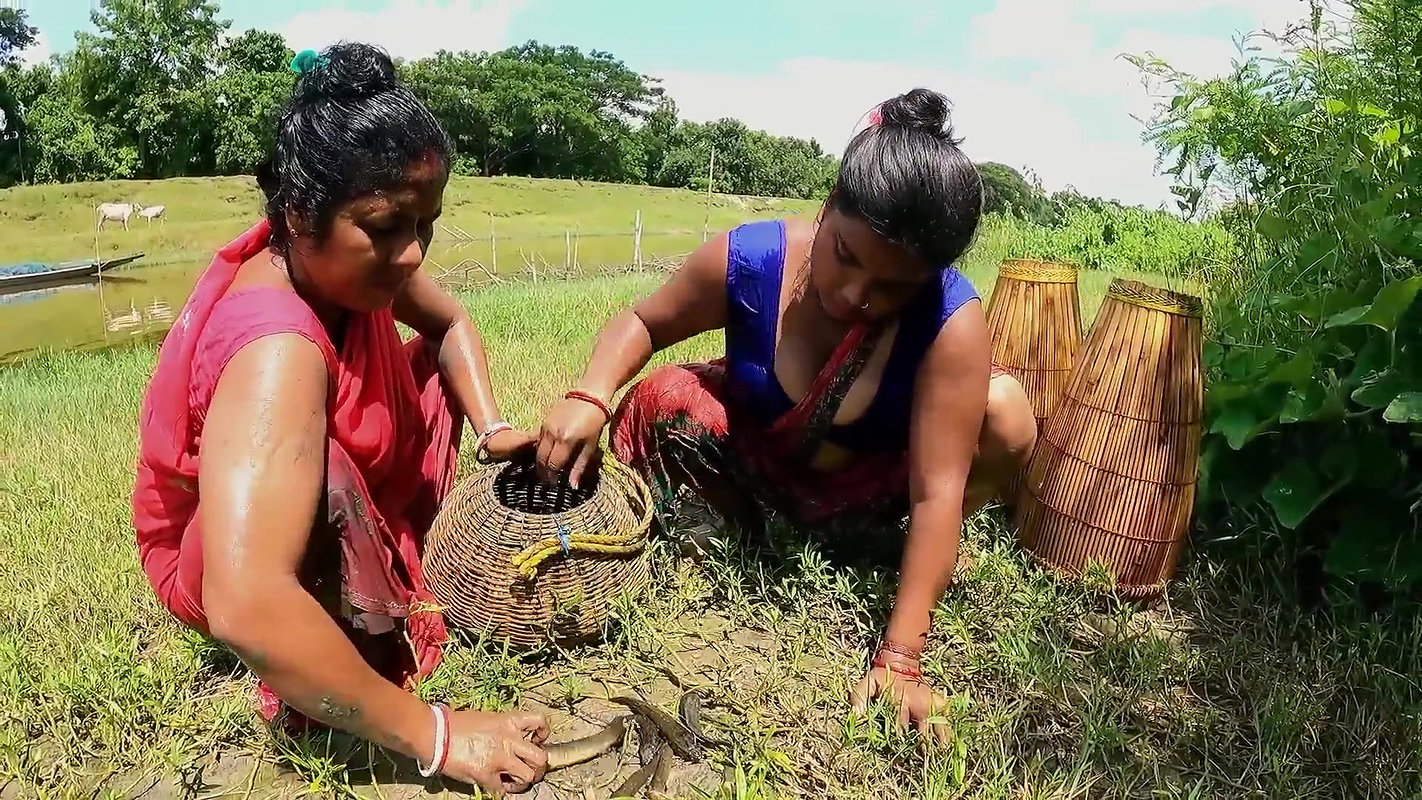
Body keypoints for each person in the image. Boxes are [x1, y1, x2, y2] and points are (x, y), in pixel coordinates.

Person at [532, 88, 1038, 741]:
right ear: (827, 211)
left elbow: (939, 489)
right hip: (760, 460)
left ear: (929, 280)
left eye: (892, 287)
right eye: (846, 257)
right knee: (663, 396)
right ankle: (738, 529)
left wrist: (901, 661)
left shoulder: (949, 324)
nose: (855, 295)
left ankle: (902, 553)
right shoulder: (751, 261)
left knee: (1006, 415)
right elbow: (643, 321)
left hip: (874, 483)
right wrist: (589, 395)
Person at [131, 43, 549, 795]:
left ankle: (386, 569)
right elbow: (246, 602)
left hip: (312, 492)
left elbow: (450, 324)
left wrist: (490, 427)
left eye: (428, 224)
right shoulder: (276, 348)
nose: (413, 254)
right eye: (387, 226)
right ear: (299, 213)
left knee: (408, 375)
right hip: (221, 555)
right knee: (322, 478)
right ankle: (339, 673)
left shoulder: (354, 271)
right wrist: (439, 734)